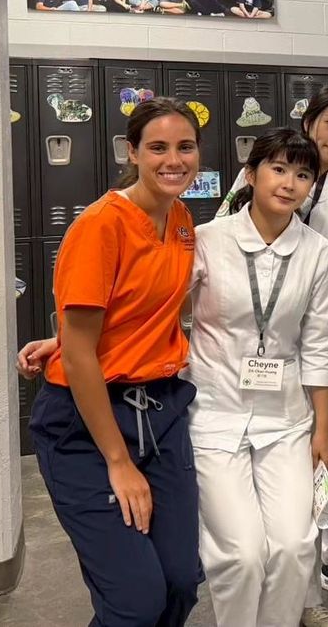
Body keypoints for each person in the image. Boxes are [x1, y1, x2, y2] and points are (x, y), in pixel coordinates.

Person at [19, 98, 204, 627]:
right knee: (134, 600)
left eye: (186, 147)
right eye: (158, 148)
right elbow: (82, 354)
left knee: (181, 581)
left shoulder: (181, 219)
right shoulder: (101, 225)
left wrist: (64, 339)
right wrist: (119, 463)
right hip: (86, 424)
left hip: (160, 411)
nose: (174, 160)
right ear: (132, 152)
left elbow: (141, 310)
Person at [220, 86, 328, 614]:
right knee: (254, 513)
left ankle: (308, 597)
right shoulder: (255, 183)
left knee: (315, 482)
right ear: (310, 121)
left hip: (312, 355)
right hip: (239, 364)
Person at [190, 128, 328, 627]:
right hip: (216, 414)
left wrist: (322, 429)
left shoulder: (317, 251)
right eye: (278, 169)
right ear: (251, 175)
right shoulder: (209, 241)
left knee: (295, 545)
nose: (290, 183)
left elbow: (319, 344)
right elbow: (157, 306)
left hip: (285, 419)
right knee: (242, 554)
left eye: (303, 174)